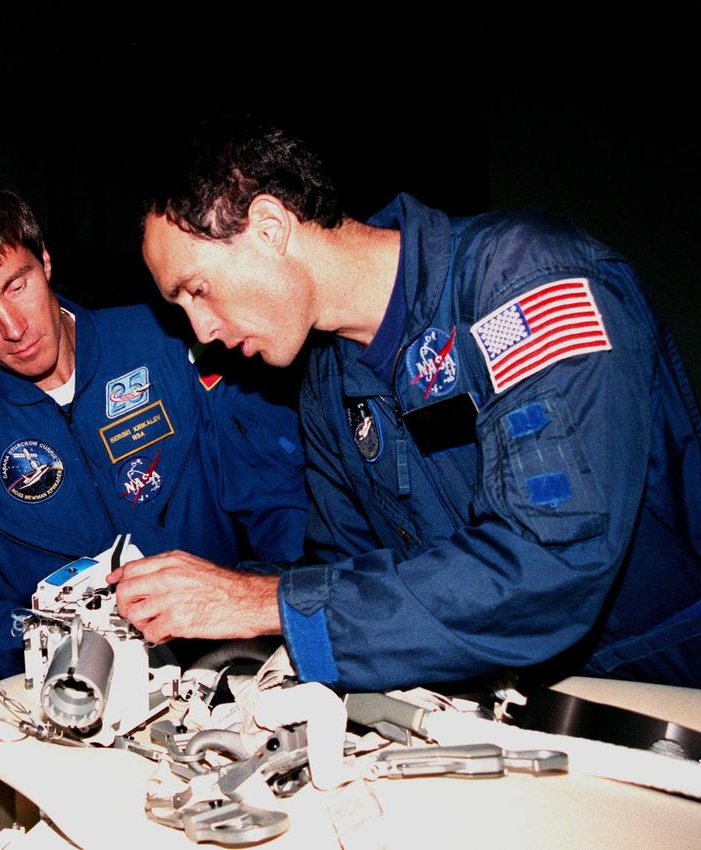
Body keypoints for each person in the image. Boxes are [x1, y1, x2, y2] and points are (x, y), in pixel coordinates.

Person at [116, 116, 701, 691]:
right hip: (511, 700)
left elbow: (548, 559)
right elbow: (349, 578)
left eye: (196, 290)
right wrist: (199, 596)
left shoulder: (522, 282)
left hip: (661, 684)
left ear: (269, 226)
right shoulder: (329, 383)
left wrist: (263, 602)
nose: (201, 330)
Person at [0, 185, 308, 679]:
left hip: (234, 659)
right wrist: (65, 635)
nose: (12, 327)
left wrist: (270, 602)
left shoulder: (173, 342)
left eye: (16, 286)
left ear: (45, 261)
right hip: (77, 692)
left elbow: (278, 497)